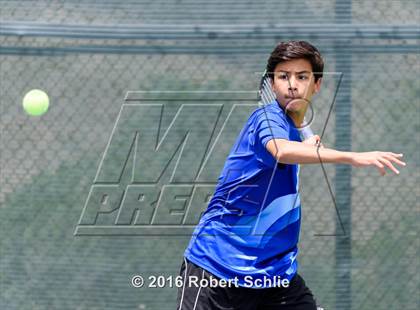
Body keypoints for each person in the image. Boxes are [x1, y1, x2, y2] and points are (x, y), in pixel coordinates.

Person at [176, 41, 405, 310]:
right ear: (272, 84)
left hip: (274, 275)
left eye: (302, 77)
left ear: (316, 85)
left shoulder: (293, 132)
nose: (292, 84)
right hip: (217, 267)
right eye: (283, 76)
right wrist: (352, 157)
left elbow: (289, 149)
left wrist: (305, 148)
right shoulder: (266, 117)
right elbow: (281, 151)